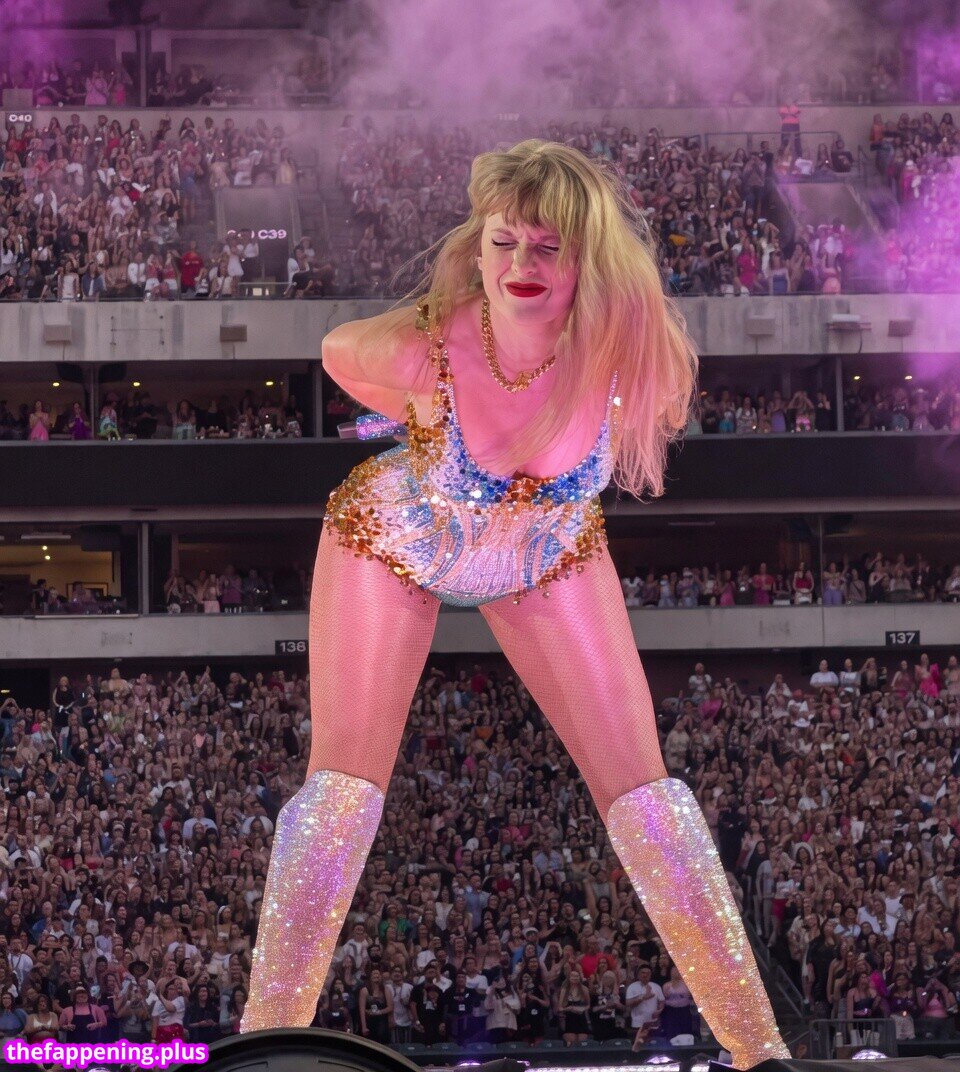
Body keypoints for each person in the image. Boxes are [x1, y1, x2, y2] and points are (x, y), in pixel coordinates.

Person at [240, 140, 789, 1069]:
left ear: (586, 258)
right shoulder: (430, 345)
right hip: (396, 539)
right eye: (503, 242)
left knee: (650, 798)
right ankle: (264, 1046)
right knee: (341, 792)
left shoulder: (631, 354)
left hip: (546, 551)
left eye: (546, 246)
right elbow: (336, 352)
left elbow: (665, 407)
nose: (520, 264)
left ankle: (760, 1051)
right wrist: (416, 406)